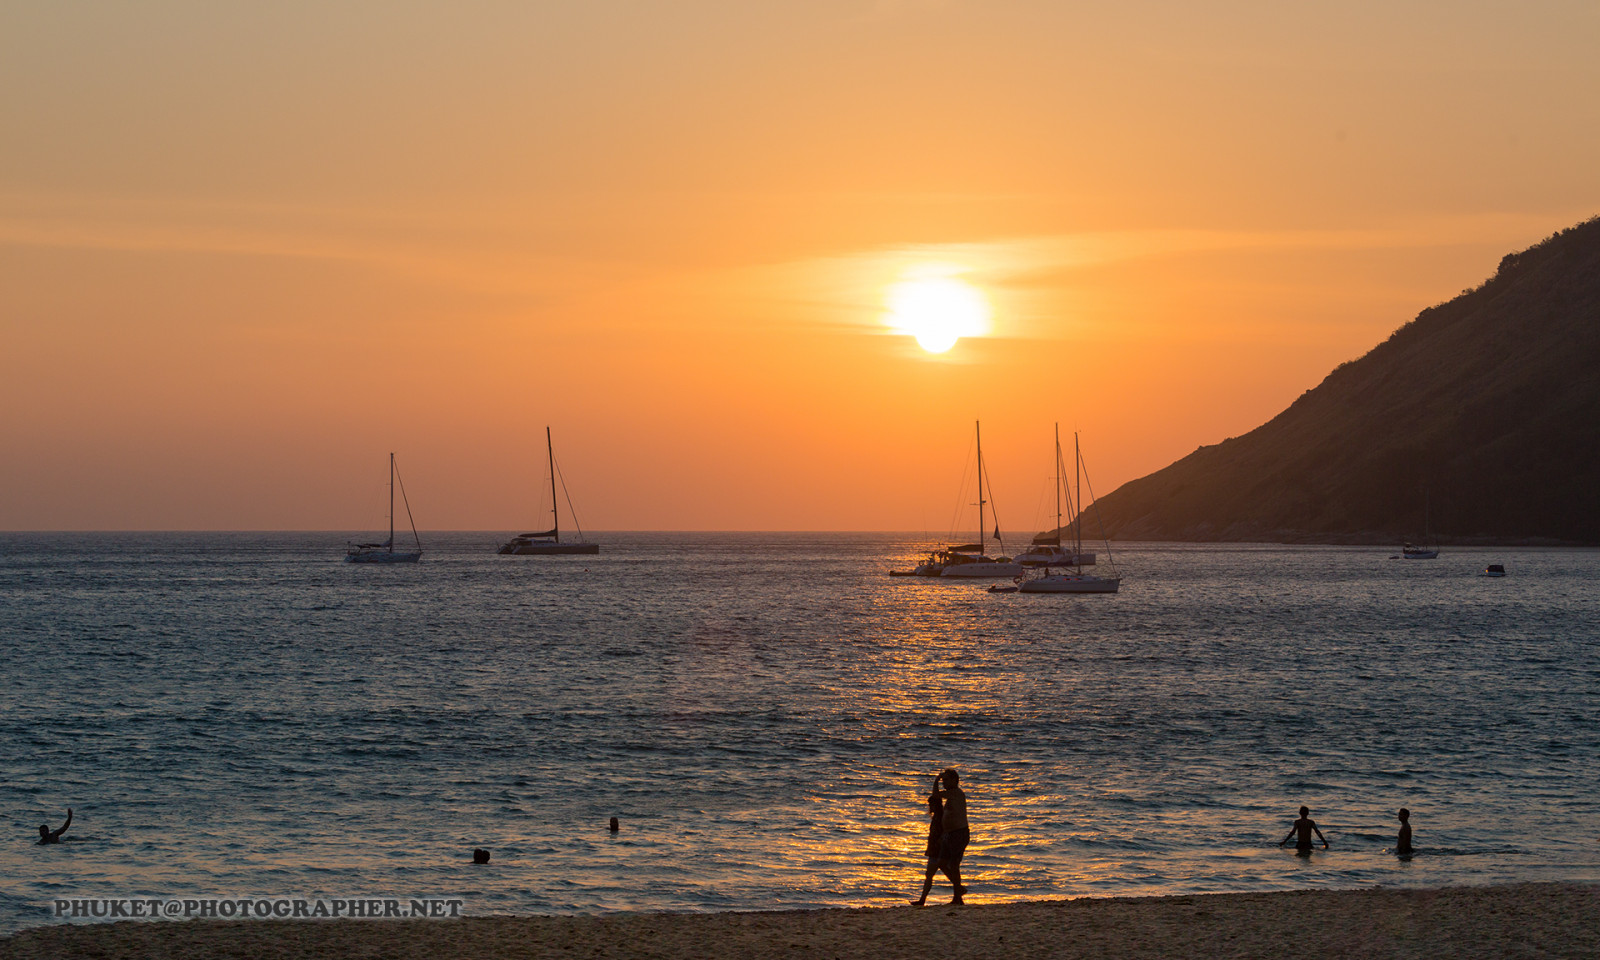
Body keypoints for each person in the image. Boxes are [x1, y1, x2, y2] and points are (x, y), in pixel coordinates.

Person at [931, 769, 970, 904]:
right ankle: (958, 889)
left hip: (959, 833)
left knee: (954, 865)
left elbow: (935, 795)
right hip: (949, 834)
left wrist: (936, 780)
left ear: (954, 780)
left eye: (946, 780)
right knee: (942, 863)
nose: (944, 783)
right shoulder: (950, 796)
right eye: (943, 780)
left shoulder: (956, 793)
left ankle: (957, 897)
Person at [910, 787, 944, 906]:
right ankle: (922, 899)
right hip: (935, 849)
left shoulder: (941, 817)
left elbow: (942, 833)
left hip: (938, 850)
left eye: (932, 805)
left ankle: (922, 900)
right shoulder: (937, 817)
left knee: (932, 874)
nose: (930, 807)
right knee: (931, 874)